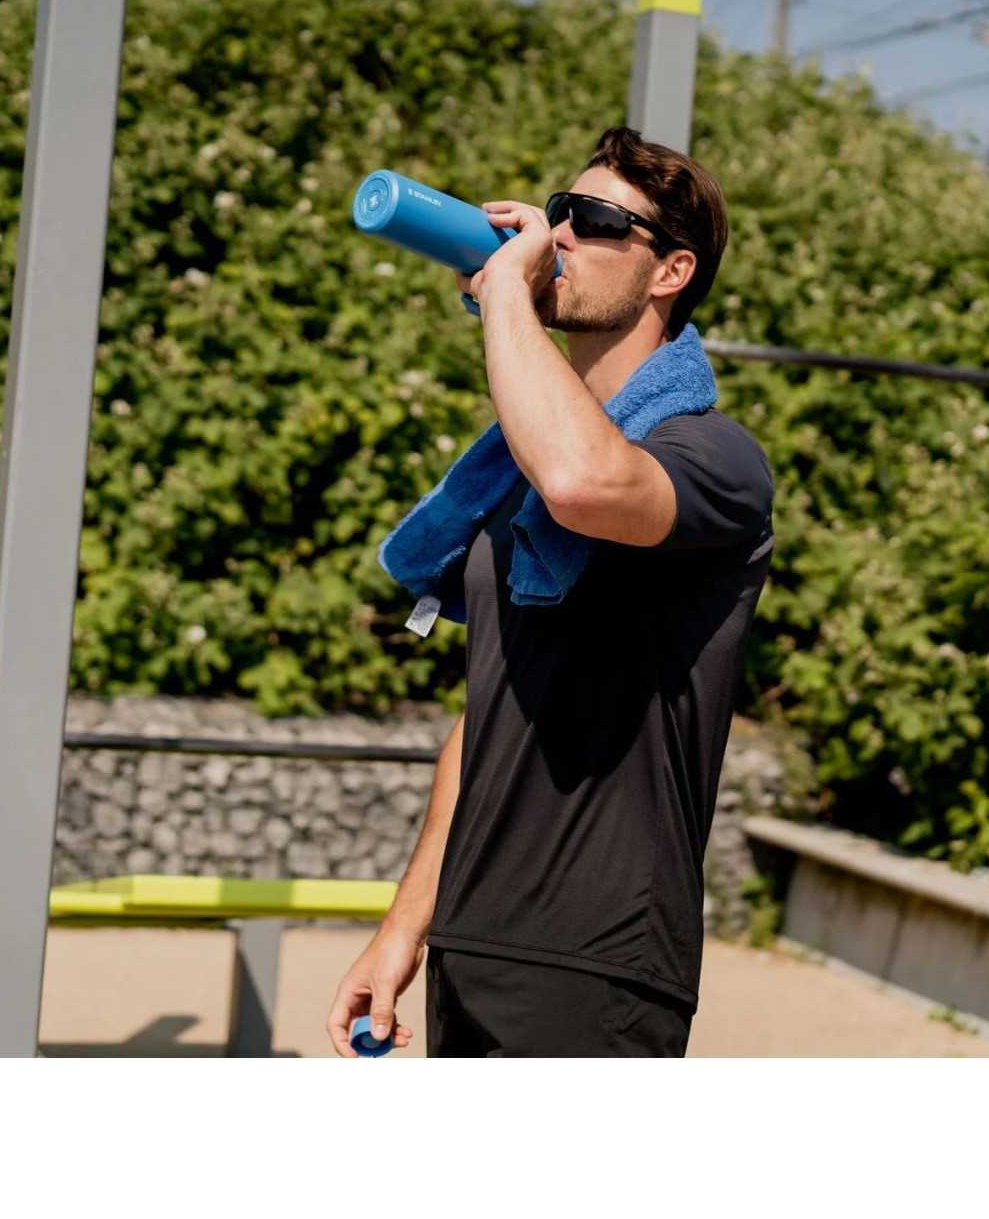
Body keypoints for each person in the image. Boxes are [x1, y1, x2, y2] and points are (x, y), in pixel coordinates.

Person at [327, 125, 774, 1057]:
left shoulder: (714, 458)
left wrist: (506, 301)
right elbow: (494, 711)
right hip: (473, 940)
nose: (560, 233)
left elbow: (583, 479)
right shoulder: (520, 483)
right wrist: (405, 927)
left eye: (597, 220)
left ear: (670, 272)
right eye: (560, 211)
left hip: (598, 959)